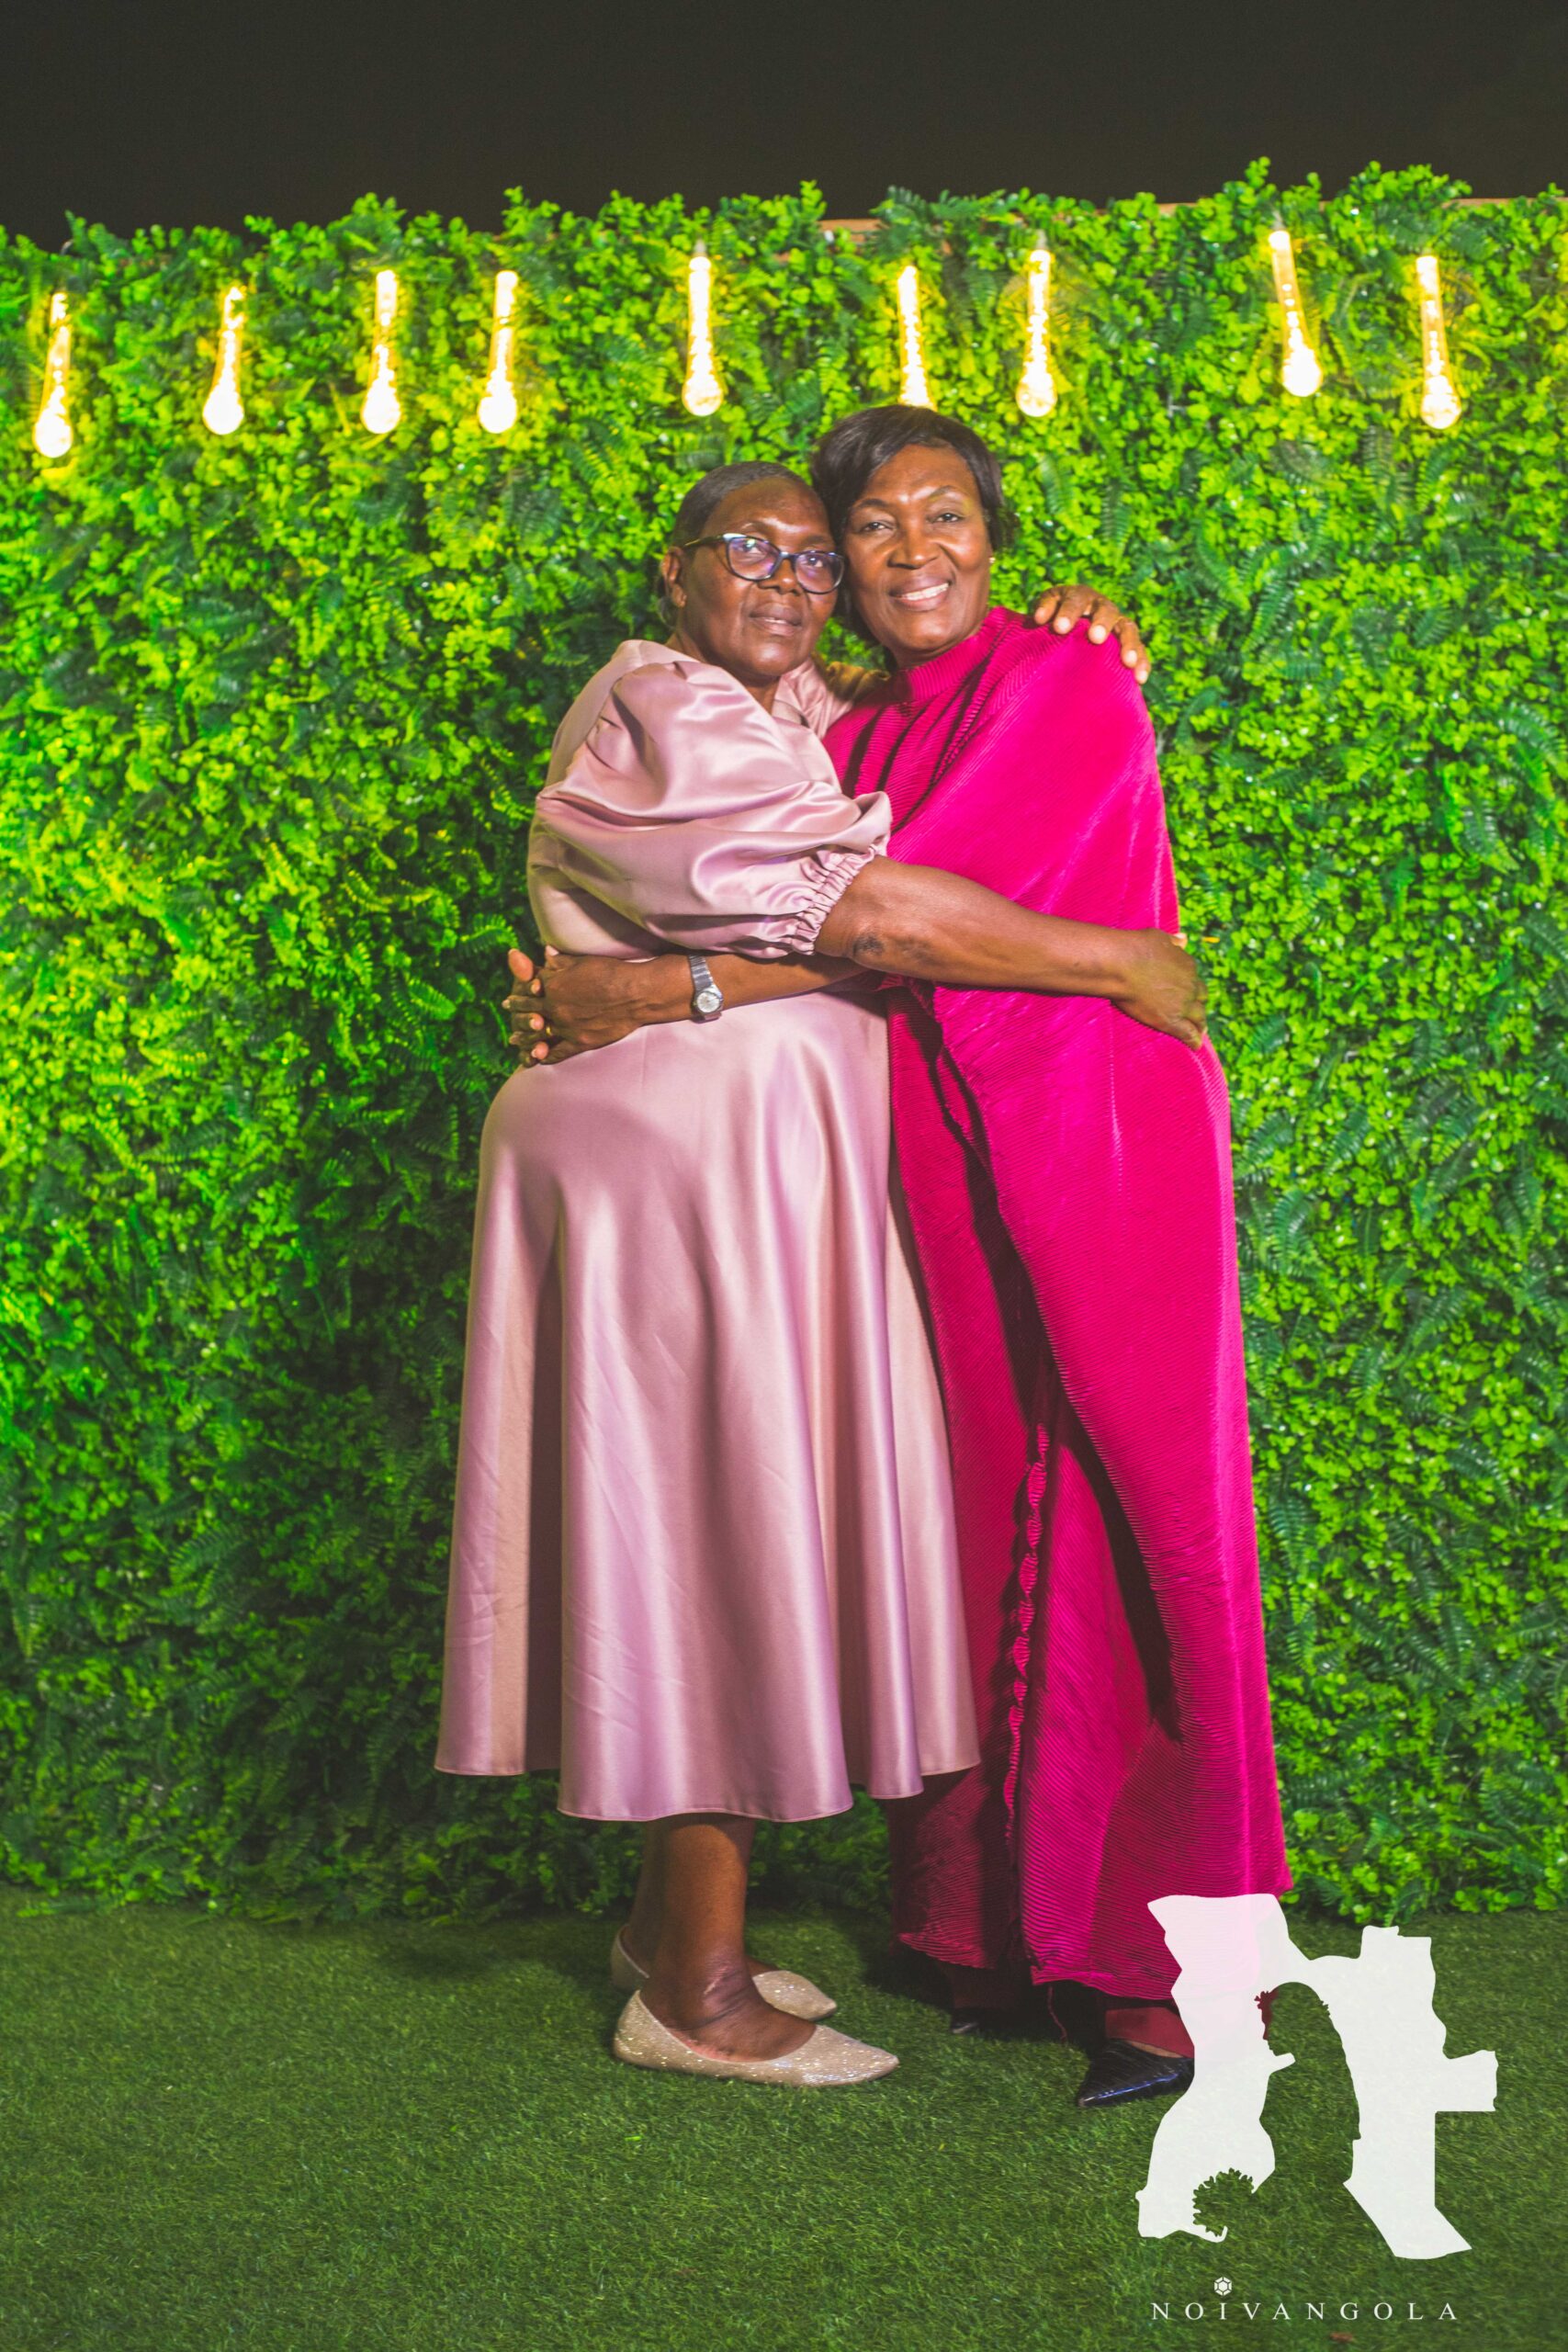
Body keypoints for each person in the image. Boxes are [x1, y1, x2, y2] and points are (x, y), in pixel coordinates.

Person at [518, 412, 1292, 2108]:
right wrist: (646, 986)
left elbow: (909, 915)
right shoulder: (851, 722)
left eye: (948, 517)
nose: (911, 549)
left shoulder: (1062, 682)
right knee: (977, 1530)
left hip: (1090, 1148)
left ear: (998, 543)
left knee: (1137, 1521)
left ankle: (1164, 1982)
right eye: (873, 525)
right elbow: (862, 918)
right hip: (937, 1164)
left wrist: (648, 988)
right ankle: (993, 1931)